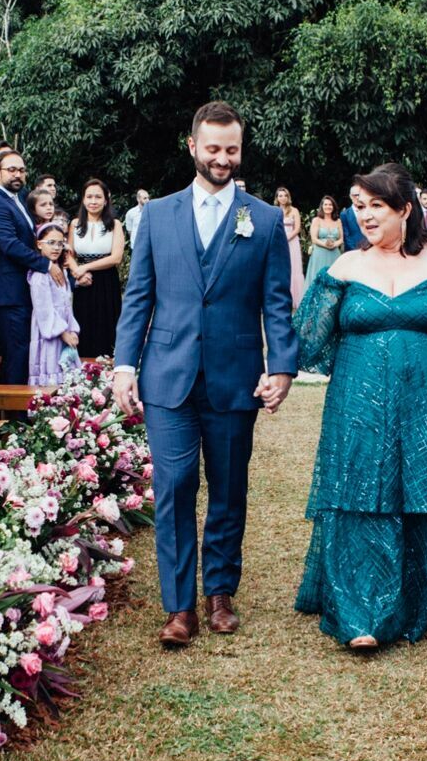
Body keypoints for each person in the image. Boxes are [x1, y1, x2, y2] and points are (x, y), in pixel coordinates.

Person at [294, 162, 427, 650]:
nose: (365, 215)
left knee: (423, 484)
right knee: (361, 488)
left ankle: (421, 594)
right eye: (359, 206)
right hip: (357, 400)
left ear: (405, 209)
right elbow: (307, 339)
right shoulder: (346, 265)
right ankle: (362, 611)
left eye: (377, 206)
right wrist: (325, 290)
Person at [113, 101, 299, 648]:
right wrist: (124, 365)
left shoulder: (264, 220)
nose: (222, 159)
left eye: (231, 150)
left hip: (234, 376)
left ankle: (220, 591)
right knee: (173, 486)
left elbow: (276, 303)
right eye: (213, 148)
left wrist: (282, 367)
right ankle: (179, 607)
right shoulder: (156, 216)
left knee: (228, 486)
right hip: (167, 376)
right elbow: (138, 297)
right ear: (192, 146)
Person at [0, 150, 43, 383]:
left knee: (25, 353)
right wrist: (46, 264)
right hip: (9, 294)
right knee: (17, 355)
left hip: (21, 291)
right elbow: (10, 245)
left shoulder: (17, 200)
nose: (18, 174)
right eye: (12, 170)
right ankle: (15, 406)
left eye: (22, 170)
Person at [70, 178, 125, 359]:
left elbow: (116, 257)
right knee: (83, 323)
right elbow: (68, 254)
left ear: (106, 200)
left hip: (106, 281)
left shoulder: (115, 224)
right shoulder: (75, 224)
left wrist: (84, 267)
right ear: (83, 199)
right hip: (83, 282)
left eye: (98, 197)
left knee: (107, 324)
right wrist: (77, 272)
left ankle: (107, 367)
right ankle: (83, 367)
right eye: (89, 197)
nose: (93, 201)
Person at [29, 222, 82, 385]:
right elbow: (43, 309)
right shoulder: (40, 275)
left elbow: (67, 306)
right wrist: (63, 333)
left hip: (65, 330)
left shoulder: (62, 272)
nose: (56, 248)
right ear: (39, 244)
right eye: (51, 243)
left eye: (60, 243)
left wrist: (72, 330)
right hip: (50, 335)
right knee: (51, 370)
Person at [274, 186, 306, 306]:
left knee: (294, 268)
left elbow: (297, 228)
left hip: (292, 242)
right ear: (277, 198)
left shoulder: (294, 210)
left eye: (285, 195)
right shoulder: (274, 210)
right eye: (280, 196)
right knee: (280, 267)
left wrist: (287, 238)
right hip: (278, 242)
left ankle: (295, 298)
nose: (283, 198)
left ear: (288, 197)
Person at [306, 195, 346, 289]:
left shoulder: (338, 221)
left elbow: (341, 239)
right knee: (319, 279)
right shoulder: (316, 220)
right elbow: (314, 239)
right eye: (326, 204)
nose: (328, 206)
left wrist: (335, 244)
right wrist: (325, 244)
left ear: (333, 207)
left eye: (330, 205)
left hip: (334, 253)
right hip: (320, 253)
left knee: (334, 278)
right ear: (322, 206)